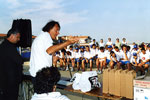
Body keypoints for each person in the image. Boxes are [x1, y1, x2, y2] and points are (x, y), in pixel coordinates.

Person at [0, 28, 23, 100]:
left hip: (4, 80)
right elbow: (19, 60)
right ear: (12, 36)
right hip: (10, 81)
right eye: (18, 37)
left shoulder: (3, 45)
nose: (18, 39)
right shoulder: (9, 47)